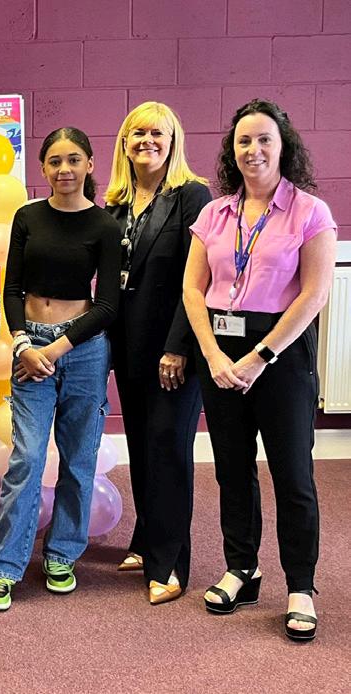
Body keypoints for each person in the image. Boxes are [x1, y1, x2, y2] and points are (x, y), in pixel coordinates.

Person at [183, 100, 336, 641]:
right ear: (232, 151)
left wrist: (260, 357)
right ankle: (242, 569)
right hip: (221, 354)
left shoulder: (310, 211)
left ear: (283, 145)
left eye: (264, 139)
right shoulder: (215, 214)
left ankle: (301, 586)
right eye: (243, 141)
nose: (254, 150)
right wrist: (212, 355)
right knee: (231, 469)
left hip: (281, 353)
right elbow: (193, 290)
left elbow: (314, 294)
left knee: (292, 474)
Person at [0, 127, 119, 611]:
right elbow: (11, 289)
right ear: (43, 167)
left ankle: (61, 555)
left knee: (79, 459)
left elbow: (108, 304)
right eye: (55, 161)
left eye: (74, 159)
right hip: (29, 349)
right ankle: (4, 566)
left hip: (82, 351)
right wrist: (23, 344)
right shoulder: (28, 216)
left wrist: (55, 350)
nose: (64, 169)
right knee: (27, 458)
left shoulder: (105, 226)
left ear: (89, 165)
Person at [104, 102, 211, 604]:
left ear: (173, 141)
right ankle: (146, 540)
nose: (147, 140)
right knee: (143, 446)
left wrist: (178, 348)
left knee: (169, 448)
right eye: (138, 132)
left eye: (158, 132)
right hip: (128, 347)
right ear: (124, 143)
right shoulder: (116, 205)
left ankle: (171, 563)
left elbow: (198, 281)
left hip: (174, 349)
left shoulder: (191, 196)